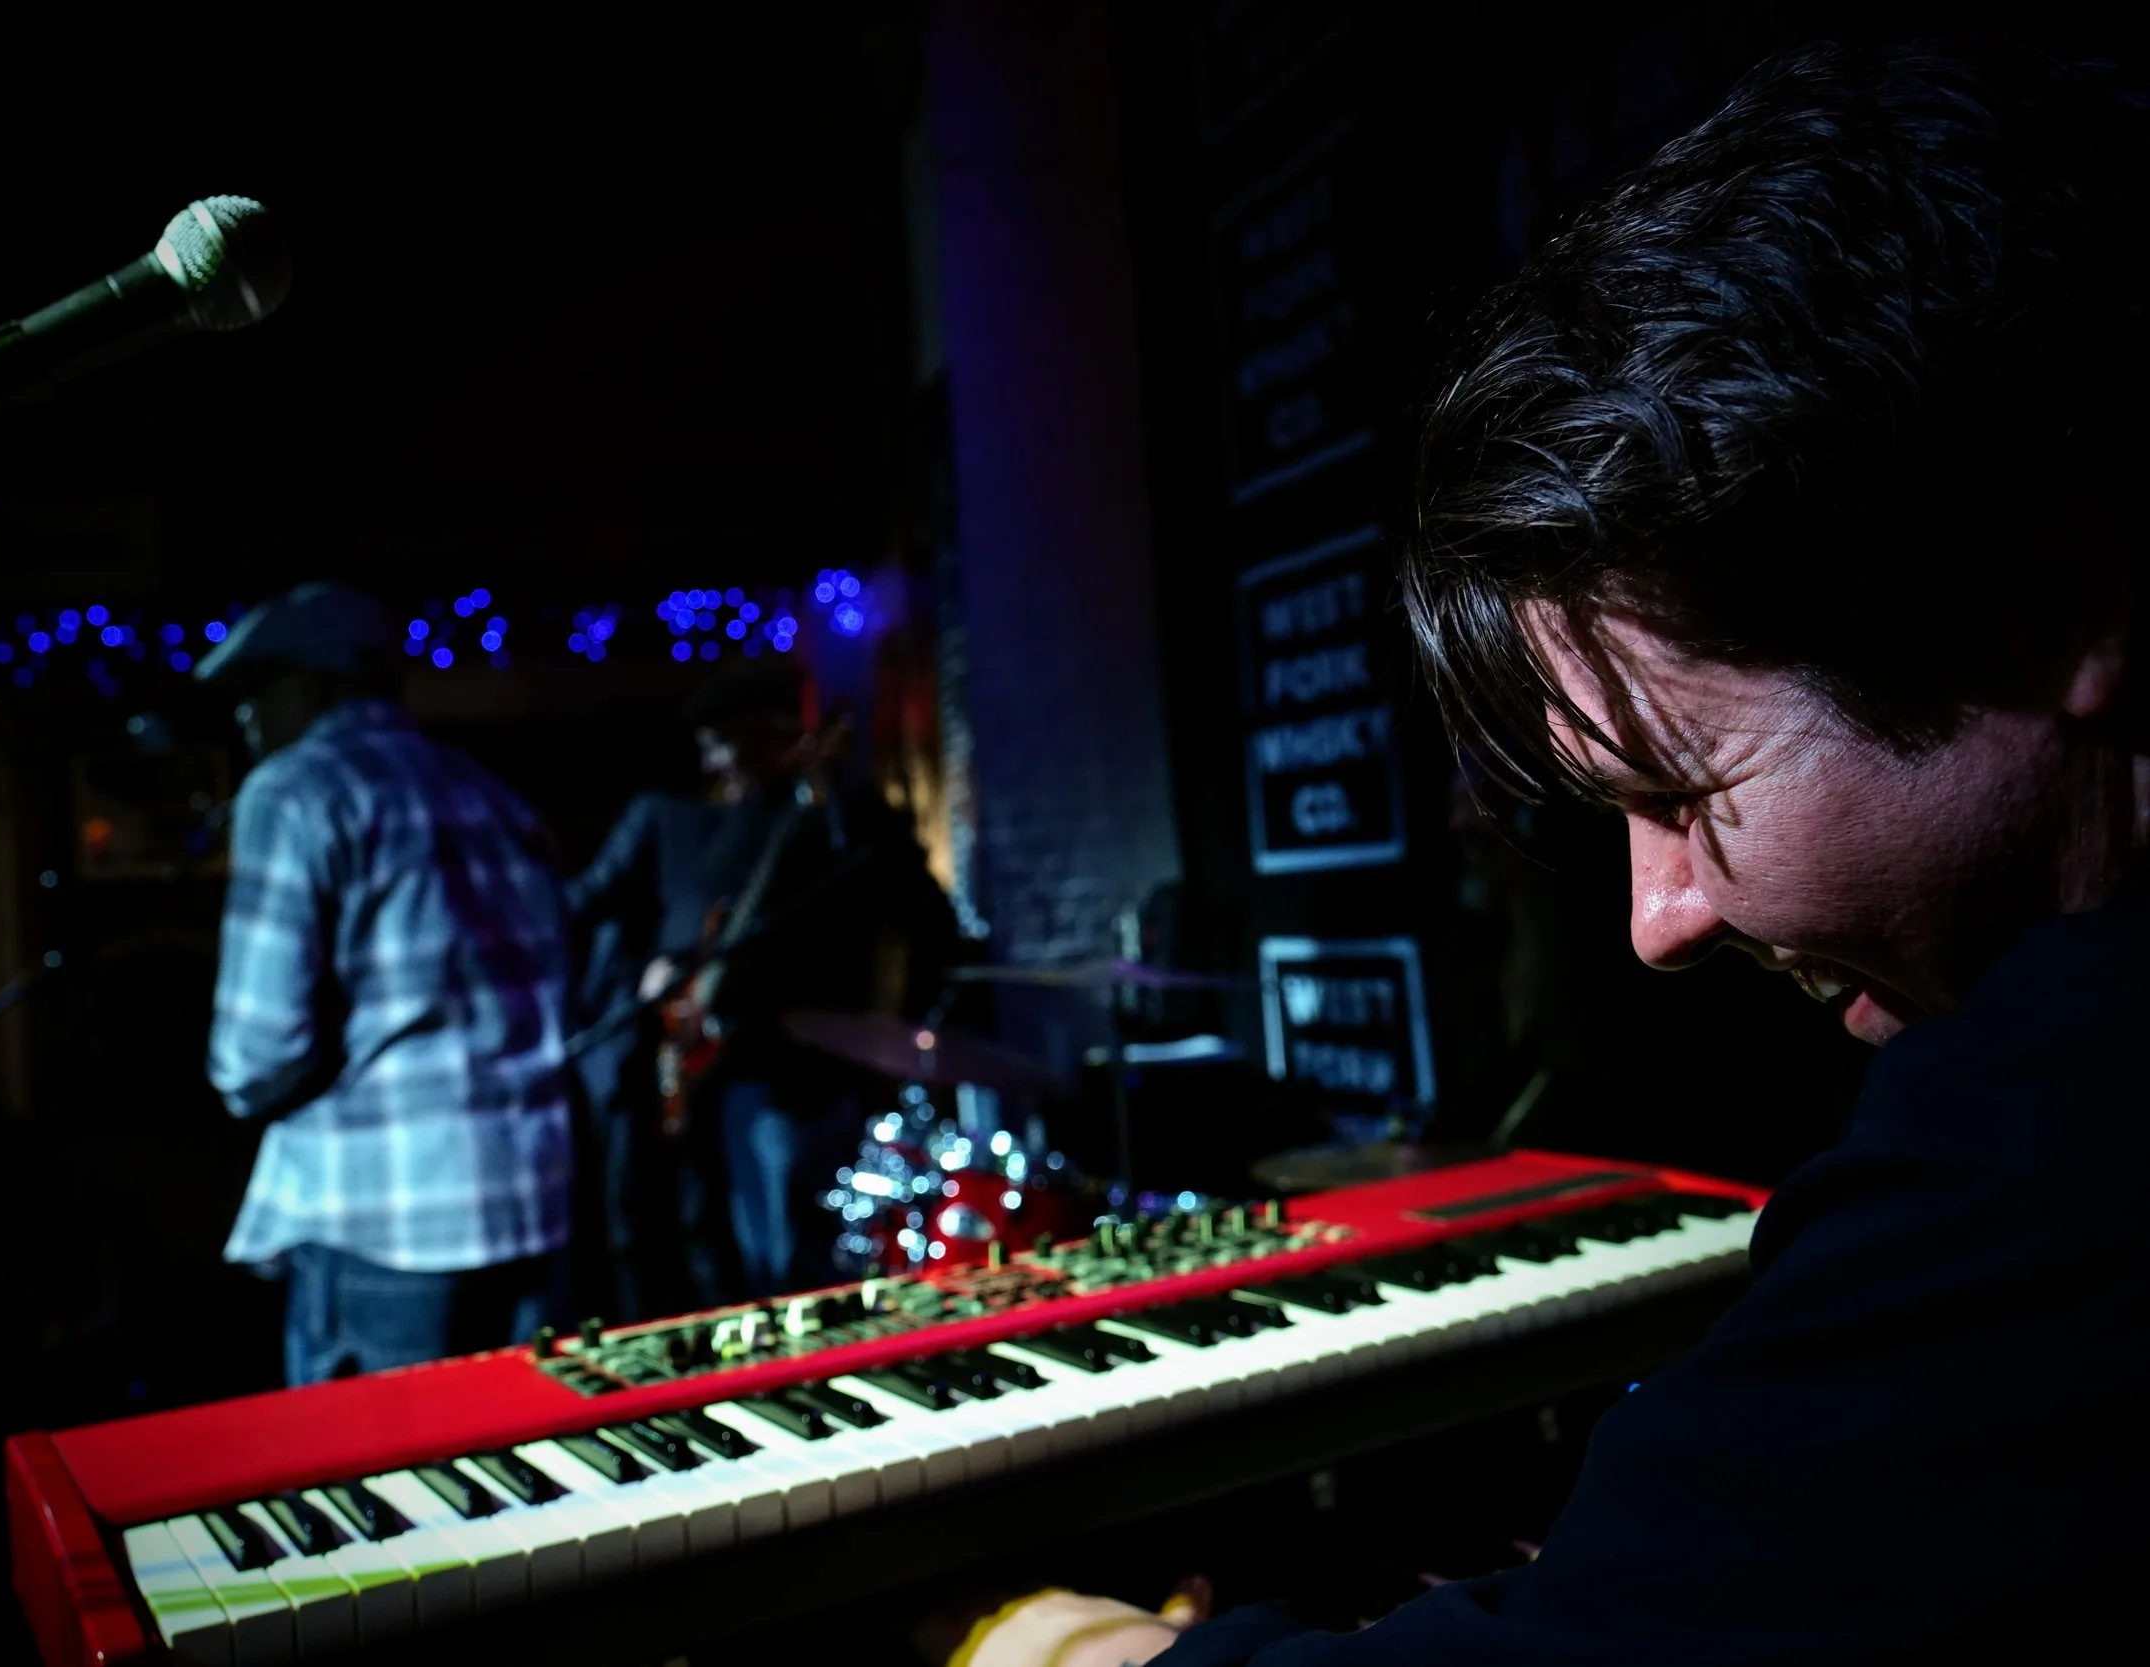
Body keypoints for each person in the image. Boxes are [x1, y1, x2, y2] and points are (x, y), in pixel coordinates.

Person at [959, 41, 2148, 1666]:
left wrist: (1072, 1648)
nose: (1661, 917)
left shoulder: (2075, 1106)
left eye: (1684, 786)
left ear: (2052, 613)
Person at [196, 582, 571, 1386]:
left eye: (255, 694)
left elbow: (254, 1053)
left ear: (311, 683)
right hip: (528, 1204)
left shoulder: (295, 791)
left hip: (381, 1220)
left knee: (371, 1498)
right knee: (509, 1488)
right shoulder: (490, 792)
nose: (246, 722)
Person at [569, 660, 958, 1308]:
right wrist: (666, 969)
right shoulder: (736, 825)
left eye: (722, 743)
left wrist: (902, 1033)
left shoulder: (849, 818)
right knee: (740, 1253)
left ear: (769, 734)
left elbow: (932, 928)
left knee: (798, 1257)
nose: (714, 763)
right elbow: (699, 924)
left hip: (809, 1074)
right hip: (730, 1074)